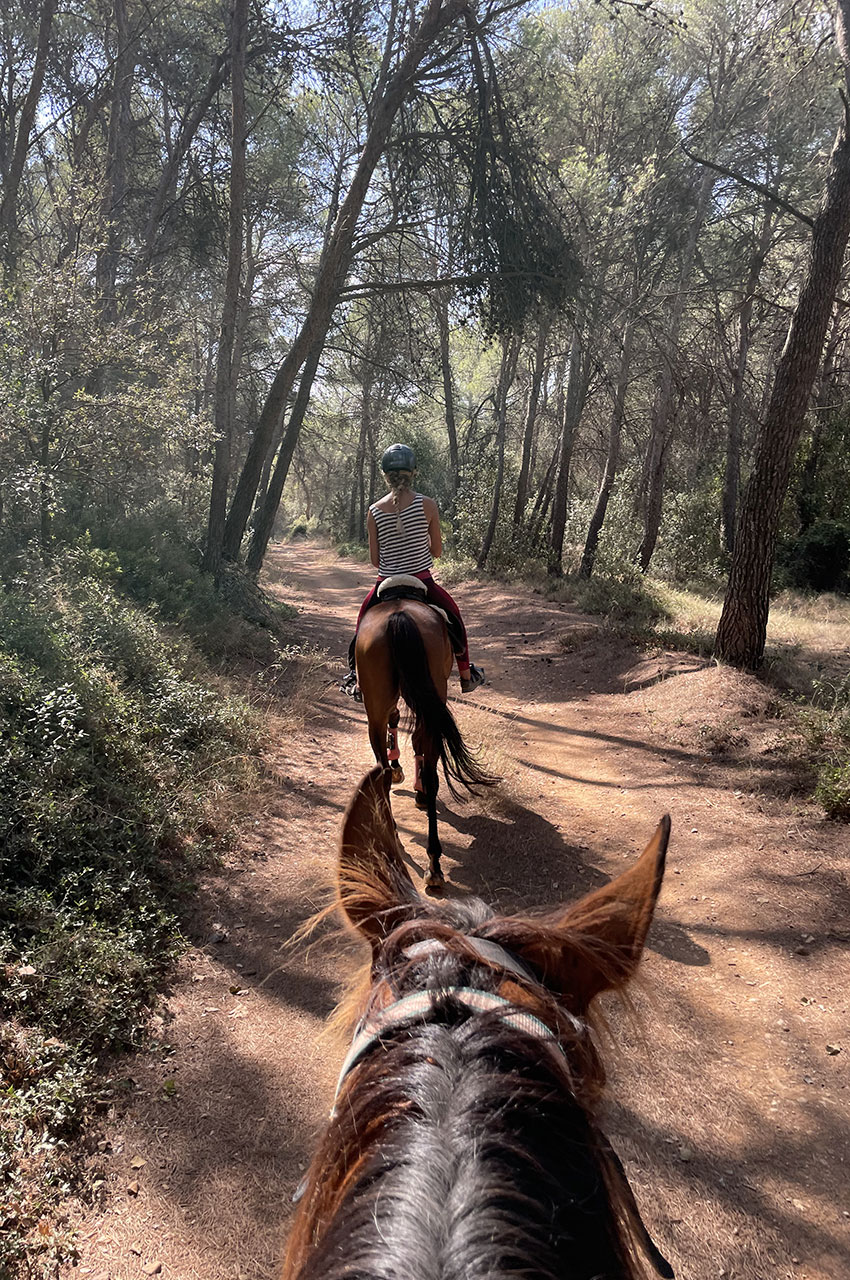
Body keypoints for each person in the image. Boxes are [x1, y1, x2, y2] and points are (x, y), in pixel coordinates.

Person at [341, 443, 486, 698]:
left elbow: (375, 560)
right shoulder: (427, 505)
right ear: (413, 473)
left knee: (362, 623)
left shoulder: (374, 511)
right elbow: (437, 552)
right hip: (422, 581)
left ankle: (358, 678)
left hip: (385, 582)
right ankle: (466, 675)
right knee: (455, 616)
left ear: (385, 475)